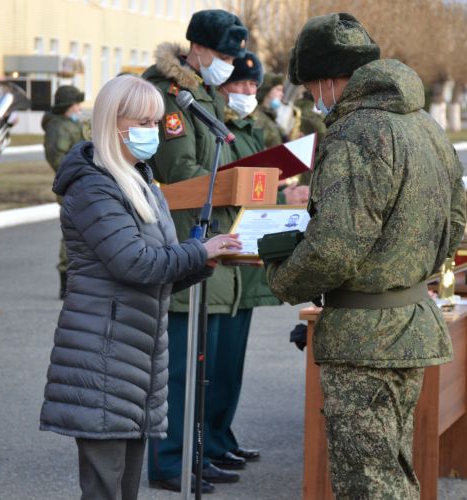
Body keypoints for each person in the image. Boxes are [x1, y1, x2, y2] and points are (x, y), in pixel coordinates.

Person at [266, 13, 465, 498]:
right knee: (393, 469)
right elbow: (456, 219)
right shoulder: (424, 125)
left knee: (368, 484)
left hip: (363, 339)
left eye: (314, 85)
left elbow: (334, 248)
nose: (315, 97)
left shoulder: (357, 134)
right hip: (411, 322)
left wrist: (282, 277)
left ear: (333, 79)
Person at [39, 74, 241, 500]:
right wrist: (198, 253)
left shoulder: (139, 179)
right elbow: (133, 262)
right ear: (114, 123)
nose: (153, 131)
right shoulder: (95, 186)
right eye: (143, 122)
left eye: (156, 120)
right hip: (105, 351)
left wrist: (202, 259)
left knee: (124, 488)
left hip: (136, 351)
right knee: (105, 489)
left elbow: (157, 265)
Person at [142, 8, 248, 492]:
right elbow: (181, 169)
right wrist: (232, 182)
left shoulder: (201, 94)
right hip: (176, 238)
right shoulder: (165, 94)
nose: (228, 65)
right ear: (198, 48)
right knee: (180, 369)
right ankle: (169, 461)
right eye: (224, 55)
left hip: (204, 238)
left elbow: (216, 157)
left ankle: (194, 453)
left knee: (201, 369)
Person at [204, 50, 278, 471]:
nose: (248, 92)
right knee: (212, 366)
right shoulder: (222, 129)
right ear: (223, 86)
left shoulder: (251, 129)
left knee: (230, 366)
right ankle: (208, 442)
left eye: (253, 86)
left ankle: (222, 435)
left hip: (245, 256)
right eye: (240, 85)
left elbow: (263, 185)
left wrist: (287, 194)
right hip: (227, 252)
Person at [42, 84, 90, 299]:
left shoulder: (68, 125)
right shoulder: (58, 128)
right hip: (71, 185)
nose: (79, 108)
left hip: (79, 183)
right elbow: (59, 160)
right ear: (68, 107)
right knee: (72, 232)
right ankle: (66, 280)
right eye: (77, 104)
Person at [254, 73, 286, 148]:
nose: (282, 94)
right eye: (278, 90)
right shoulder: (257, 116)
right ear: (266, 90)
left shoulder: (269, 117)